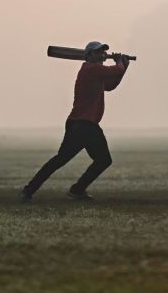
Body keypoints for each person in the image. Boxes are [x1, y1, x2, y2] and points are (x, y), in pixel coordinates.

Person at [20, 41, 130, 201]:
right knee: (68, 160)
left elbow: (110, 85)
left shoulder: (96, 73)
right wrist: (120, 62)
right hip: (82, 125)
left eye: (103, 51)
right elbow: (116, 70)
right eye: (98, 52)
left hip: (85, 124)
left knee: (98, 160)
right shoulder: (90, 69)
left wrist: (123, 67)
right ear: (89, 55)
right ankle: (34, 190)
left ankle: (73, 190)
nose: (102, 54)